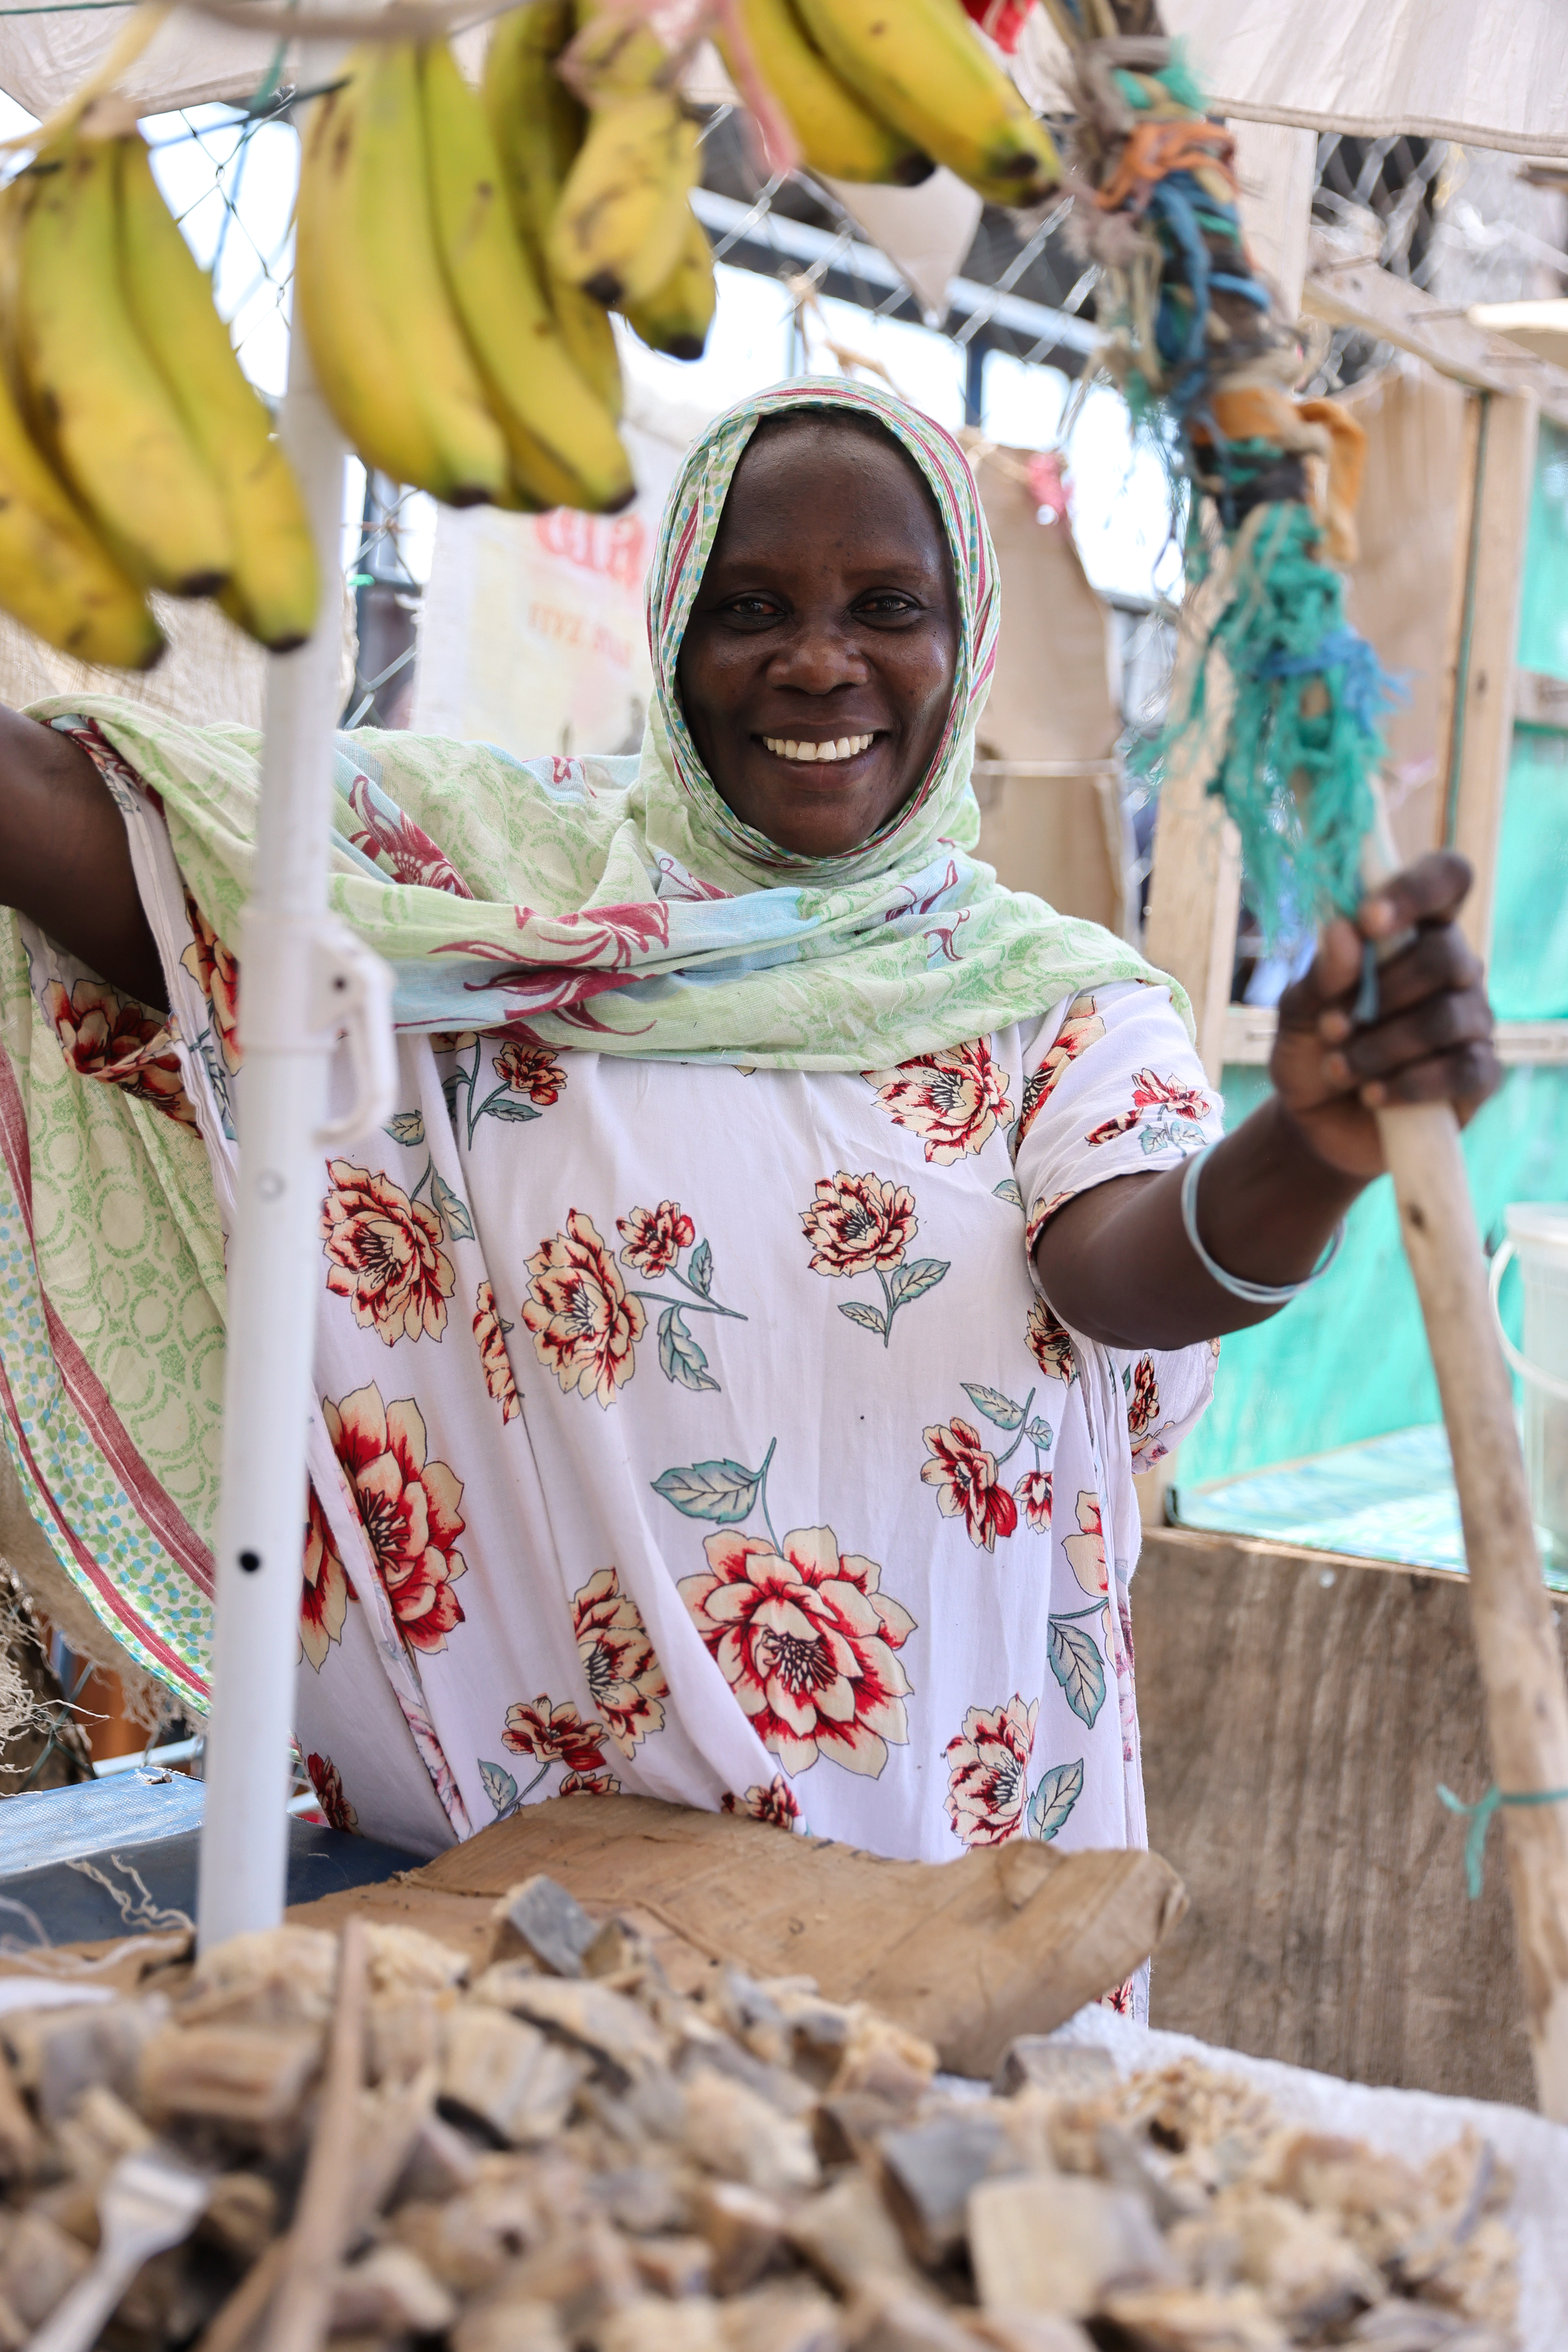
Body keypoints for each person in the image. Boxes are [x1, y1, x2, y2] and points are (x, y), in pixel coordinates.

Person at [0, 380, 1496, 1925]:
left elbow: (1127, 1271)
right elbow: (148, 874)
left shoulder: (1048, 1009)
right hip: (496, 1909)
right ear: (672, 640)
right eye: (752, 606)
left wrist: (1312, 1148)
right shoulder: (477, 899)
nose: (819, 660)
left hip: (918, 1908)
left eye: (887, 606)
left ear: (963, 640)